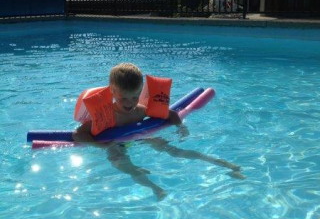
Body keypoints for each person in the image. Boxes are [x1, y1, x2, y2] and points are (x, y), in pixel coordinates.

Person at [73, 63, 245, 201]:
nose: (129, 103)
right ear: (112, 91)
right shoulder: (106, 115)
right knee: (122, 163)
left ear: (140, 92)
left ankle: (227, 166)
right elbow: (78, 134)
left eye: (134, 97)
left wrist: (181, 127)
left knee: (174, 151)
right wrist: (99, 146)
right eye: (123, 98)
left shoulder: (140, 110)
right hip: (114, 142)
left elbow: (171, 114)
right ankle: (156, 189)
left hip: (141, 137)